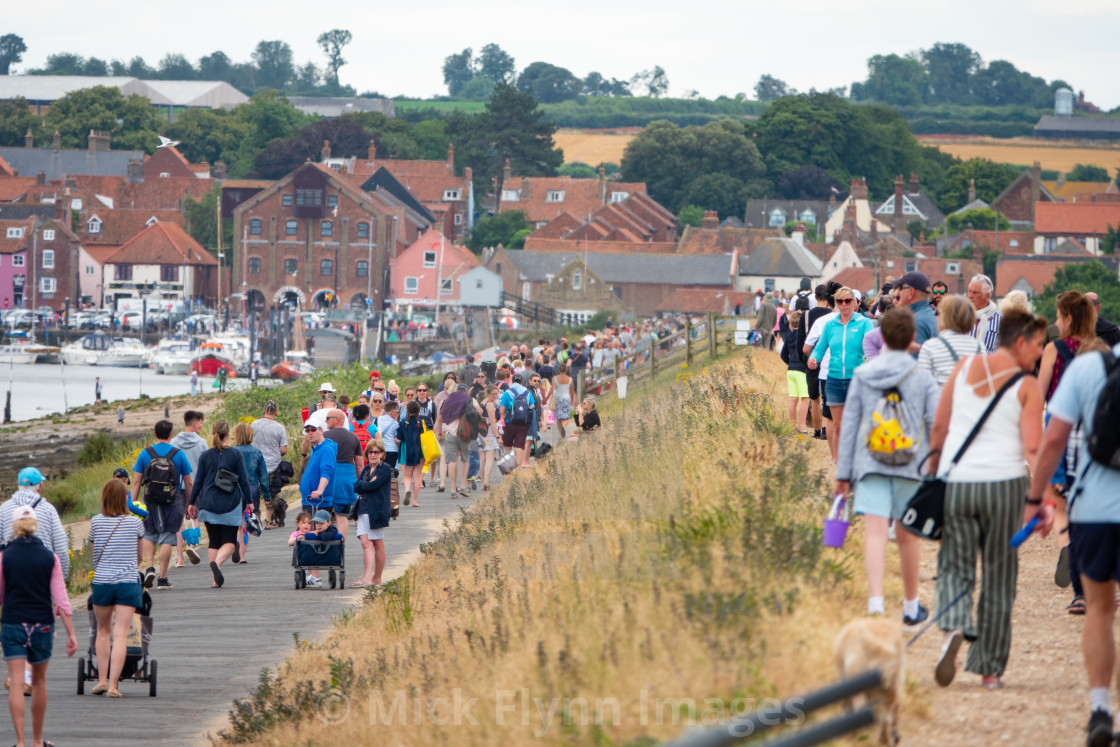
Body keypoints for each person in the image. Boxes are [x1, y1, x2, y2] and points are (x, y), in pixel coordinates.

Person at [927, 309, 1046, 691]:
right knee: (999, 574)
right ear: (1021, 342)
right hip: (1005, 484)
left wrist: (932, 472)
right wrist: (1041, 496)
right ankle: (990, 668)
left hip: (959, 482)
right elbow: (1032, 446)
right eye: (1039, 345)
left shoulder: (962, 369)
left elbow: (941, 427)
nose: (1041, 353)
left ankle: (956, 623)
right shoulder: (1028, 386)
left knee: (954, 563)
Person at [1026, 326, 1119, 743]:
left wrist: (1036, 499)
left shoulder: (1089, 366)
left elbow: (1053, 441)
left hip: (1095, 504)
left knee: (1099, 609)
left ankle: (1101, 706)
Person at [835, 308, 940, 624]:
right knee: (908, 536)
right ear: (911, 338)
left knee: (875, 534)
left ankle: (876, 605)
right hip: (911, 464)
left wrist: (843, 475)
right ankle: (911, 607)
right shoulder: (922, 376)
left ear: (881, 338)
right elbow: (936, 422)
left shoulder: (864, 375)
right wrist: (934, 464)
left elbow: (850, 425)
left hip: (871, 463)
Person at [1035, 290, 1098, 614]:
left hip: (1059, 425)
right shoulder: (1099, 350)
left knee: (1060, 503)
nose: (1057, 323)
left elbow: (1039, 393)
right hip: (1093, 432)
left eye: (1059, 317)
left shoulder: (1054, 349)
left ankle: (1067, 549)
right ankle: (1103, 584)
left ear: (1069, 318)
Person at [0, 504, 76, 744]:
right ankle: (37, 740)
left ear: (14, 526)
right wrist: (71, 634)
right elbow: (61, 598)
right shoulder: (49, 557)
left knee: (16, 682)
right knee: (40, 681)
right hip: (42, 623)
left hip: (13, 622)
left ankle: (20, 742)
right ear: (35, 526)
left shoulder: (4, 557)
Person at [89, 480, 145, 697]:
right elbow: (139, 557)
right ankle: (113, 686)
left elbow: (95, 558)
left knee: (102, 631)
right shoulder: (135, 523)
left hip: (103, 582)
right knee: (120, 634)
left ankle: (101, 680)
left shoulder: (95, 522)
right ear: (125, 499)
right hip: (128, 582)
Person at [808, 286, 874, 459]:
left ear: (854, 303)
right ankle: (837, 461)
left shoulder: (864, 323)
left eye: (847, 301)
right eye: (840, 301)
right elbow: (820, 348)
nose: (844, 304)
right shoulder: (831, 325)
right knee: (837, 425)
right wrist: (814, 358)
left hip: (857, 380)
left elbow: (871, 346)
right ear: (836, 303)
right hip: (835, 380)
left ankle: (856, 459)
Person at [188, 421, 252, 589]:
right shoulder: (236, 454)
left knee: (214, 541)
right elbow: (244, 481)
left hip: (208, 503)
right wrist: (250, 501)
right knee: (230, 542)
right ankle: (216, 563)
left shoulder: (205, 455)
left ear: (213, 433)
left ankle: (215, 580)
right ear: (227, 434)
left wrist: (191, 502)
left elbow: (198, 482)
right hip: (230, 503)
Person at [132, 419, 195, 590]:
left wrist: (133, 505)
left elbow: (137, 482)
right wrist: (190, 503)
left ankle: (150, 567)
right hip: (173, 500)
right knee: (167, 537)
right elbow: (188, 483)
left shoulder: (145, 454)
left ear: (154, 433)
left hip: (150, 500)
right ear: (171, 435)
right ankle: (162, 578)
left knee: (150, 534)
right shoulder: (179, 454)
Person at [0, 468, 70, 580]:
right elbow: (61, 546)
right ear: (40, 486)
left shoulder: (4, 509)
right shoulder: (48, 510)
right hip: (43, 573)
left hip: (12, 574)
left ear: (18, 484)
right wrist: (61, 578)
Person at [917, 295, 983, 388]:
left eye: (937, 313)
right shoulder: (980, 347)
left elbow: (922, 385)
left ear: (945, 317)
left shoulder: (930, 346)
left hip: (939, 400)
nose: (935, 316)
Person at [170, 410, 207, 567]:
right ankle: (191, 546)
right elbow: (206, 466)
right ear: (194, 423)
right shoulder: (202, 443)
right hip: (196, 485)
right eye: (200, 422)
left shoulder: (174, 444)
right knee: (195, 517)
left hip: (178, 486)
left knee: (179, 522)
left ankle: (179, 558)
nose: (202, 425)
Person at [353, 438, 392, 587]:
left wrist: (366, 485)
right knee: (365, 542)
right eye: (370, 452)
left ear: (382, 453)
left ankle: (376, 578)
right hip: (363, 509)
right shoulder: (367, 468)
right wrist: (366, 484)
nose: (373, 455)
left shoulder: (385, 468)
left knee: (378, 543)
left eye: (376, 452)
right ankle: (367, 578)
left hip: (377, 510)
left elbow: (374, 485)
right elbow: (357, 486)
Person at [801, 284, 836, 441]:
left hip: (814, 361)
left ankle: (817, 430)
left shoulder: (807, 316)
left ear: (815, 297)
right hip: (831, 363)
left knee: (815, 398)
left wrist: (807, 361)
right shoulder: (838, 317)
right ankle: (828, 429)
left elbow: (802, 345)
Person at [232, 422, 270, 565]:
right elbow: (263, 476)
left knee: (235, 521)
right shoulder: (257, 452)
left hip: (235, 490)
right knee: (246, 522)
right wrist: (266, 496)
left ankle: (233, 542)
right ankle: (242, 556)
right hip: (252, 489)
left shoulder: (232, 452)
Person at [324, 409, 362, 538]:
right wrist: (360, 482)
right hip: (346, 478)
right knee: (342, 516)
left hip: (328, 477)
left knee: (323, 515)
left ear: (338, 419)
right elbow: (359, 464)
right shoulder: (353, 437)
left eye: (328, 418)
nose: (326, 421)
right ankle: (340, 546)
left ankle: (324, 544)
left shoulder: (324, 436)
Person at [435, 384, 479, 496]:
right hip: (464, 433)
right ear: (465, 391)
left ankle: (453, 489)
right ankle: (463, 486)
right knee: (465, 459)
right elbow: (480, 411)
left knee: (451, 461)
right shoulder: (469, 399)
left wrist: (439, 433)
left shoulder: (447, 401)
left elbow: (440, 418)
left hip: (450, 434)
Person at [251, 401, 289, 528]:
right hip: (273, 465)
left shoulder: (254, 424)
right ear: (276, 412)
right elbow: (284, 449)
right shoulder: (279, 428)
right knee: (271, 493)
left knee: (255, 492)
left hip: (256, 464)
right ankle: (268, 522)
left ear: (263, 410)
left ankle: (255, 520)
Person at [299, 414, 337, 518]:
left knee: (316, 531)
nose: (310, 433)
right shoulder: (316, 448)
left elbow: (327, 471)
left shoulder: (326, 449)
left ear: (321, 431)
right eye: (307, 430)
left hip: (318, 502)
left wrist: (320, 490)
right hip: (309, 500)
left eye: (313, 430)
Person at [780, 309, 810, 433]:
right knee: (805, 398)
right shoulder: (804, 337)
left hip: (790, 370)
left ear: (790, 325)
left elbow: (783, 354)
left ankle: (793, 426)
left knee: (793, 399)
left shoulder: (789, 336)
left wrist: (790, 363)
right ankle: (802, 426)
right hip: (801, 370)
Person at [891, 271, 938, 351]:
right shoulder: (930, 316)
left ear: (910, 292)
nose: (898, 293)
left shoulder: (914, 322)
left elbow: (913, 361)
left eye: (900, 288)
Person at [499, 373, 535, 469]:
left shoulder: (507, 392)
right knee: (519, 447)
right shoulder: (528, 393)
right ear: (522, 381)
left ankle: (509, 471)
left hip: (509, 422)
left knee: (508, 447)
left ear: (512, 381)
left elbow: (501, 411)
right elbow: (532, 407)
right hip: (523, 423)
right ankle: (517, 472)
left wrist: (503, 417)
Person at [397, 400, 425, 507]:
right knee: (417, 477)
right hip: (420, 451)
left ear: (407, 410)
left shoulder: (403, 422)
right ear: (418, 410)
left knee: (408, 476)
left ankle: (407, 490)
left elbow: (399, 439)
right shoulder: (422, 423)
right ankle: (414, 501)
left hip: (407, 451)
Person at [968, 274, 1001, 354]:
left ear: (987, 296)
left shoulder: (1000, 319)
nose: (970, 296)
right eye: (969, 291)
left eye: (975, 293)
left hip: (988, 365)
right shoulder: (960, 315)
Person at [552, 362, 574, 440]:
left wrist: (547, 398)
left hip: (558, 398)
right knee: (566, 417)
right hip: (566, 398)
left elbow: (552, 389)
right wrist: (572, 399)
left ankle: (560, 434)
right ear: (566, 370)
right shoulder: (570, 379)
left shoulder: (555, 378)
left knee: (558, 418)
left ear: (558, 370)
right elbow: (572, 390)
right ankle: (564, 426)